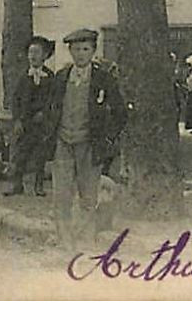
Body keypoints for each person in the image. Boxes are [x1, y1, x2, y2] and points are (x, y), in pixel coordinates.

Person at [40, 29, 127, 250]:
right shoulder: (61, 77)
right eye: (76, 49)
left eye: (85, 49)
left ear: (93, 51)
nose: (80, 54)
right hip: (63, 142)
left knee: (88, 194)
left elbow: (120, 111)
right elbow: (50, 108)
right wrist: (51, 131)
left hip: (90, 143)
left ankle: (86, 238)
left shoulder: (103, 78)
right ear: (70, 51)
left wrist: (108, 137)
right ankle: (64, 238)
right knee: (62, 193)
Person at [4, 36, 54, 196]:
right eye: (30, 52)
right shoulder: (22, 76)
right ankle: (17, 185)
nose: (33, 56)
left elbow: (54, 100)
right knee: (20, 154)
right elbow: (15, 100)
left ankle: (38, 186)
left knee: (41, 155)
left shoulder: (51, 78)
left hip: (42, 124)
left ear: (45, 55)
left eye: (37, 52)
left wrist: (45, 114)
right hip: (25, 123)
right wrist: (17, 120)